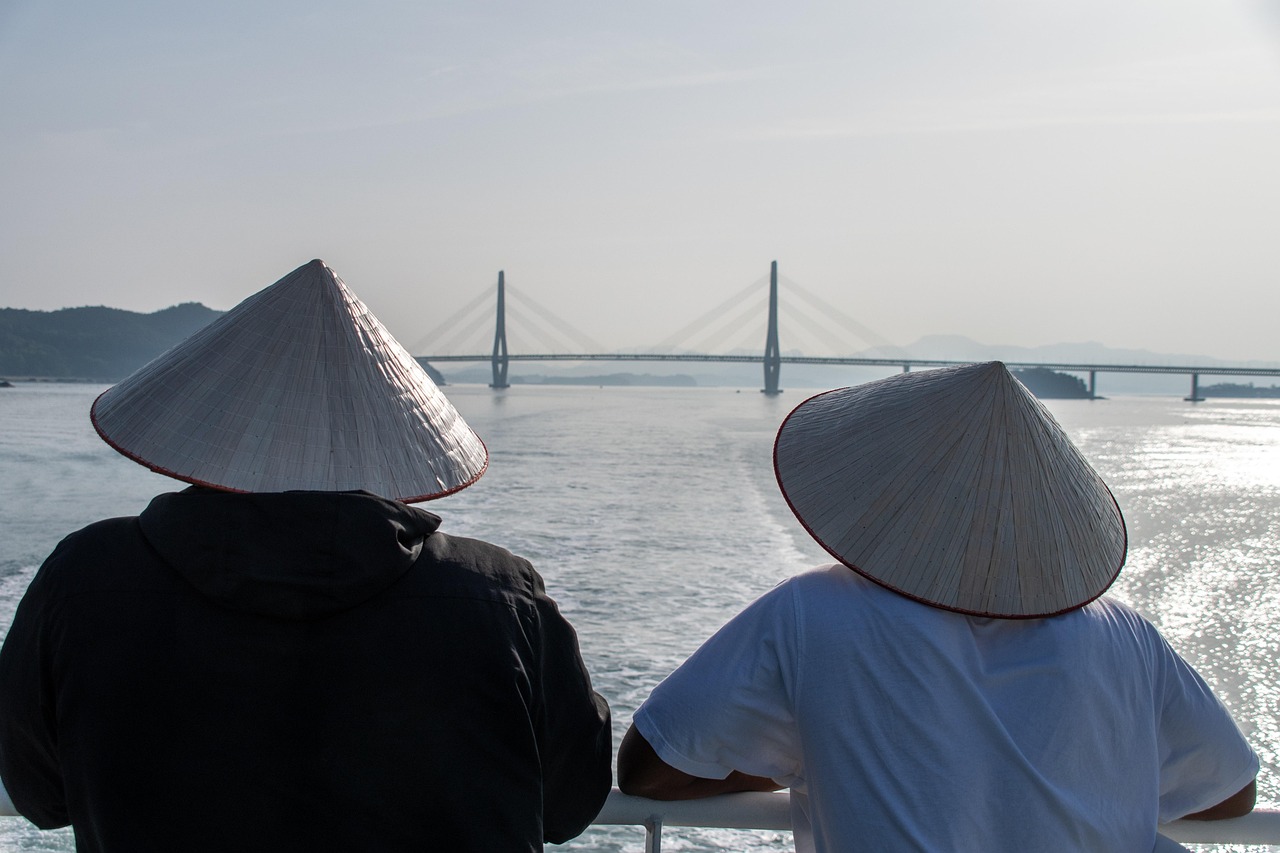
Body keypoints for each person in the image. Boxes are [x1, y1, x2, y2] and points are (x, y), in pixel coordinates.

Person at [0, 260, 612, 852]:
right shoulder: (500, 595)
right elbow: (567, 803)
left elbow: (40, 795)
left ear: (206, 429)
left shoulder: (83, 577)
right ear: (385, 439)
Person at [618, 361, 1258, 852]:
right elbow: (1230, 794)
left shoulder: (814, 612)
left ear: (885, 492)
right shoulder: (1126, 634)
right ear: (1053, 514)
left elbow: (654, 769)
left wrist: (808, 765)